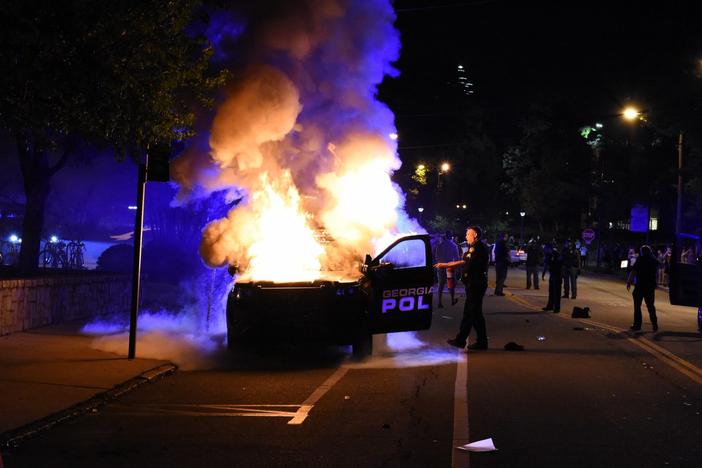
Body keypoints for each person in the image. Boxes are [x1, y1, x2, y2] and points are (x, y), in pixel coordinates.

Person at [435, 226, 490, 350]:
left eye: (468, 234)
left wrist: (446, 264)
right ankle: (480, 342)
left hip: (476, 284)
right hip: (474, 284)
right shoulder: (474, 247)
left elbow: (464, 262)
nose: (466, 236)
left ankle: (462, 340)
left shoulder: (477, 248)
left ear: (475, 235)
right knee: (475, 314)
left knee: (470, 313)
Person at [626, 245, 659, 332]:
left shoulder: (640, 260)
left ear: (642, 252)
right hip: (650, 286)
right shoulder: (653, 260)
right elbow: (658, 267)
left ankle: (637, 325)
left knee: (637, 306)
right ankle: (654, 324)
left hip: (640, 286)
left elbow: (633, 271)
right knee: (650, 306)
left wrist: (629, 281)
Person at [433, 230, 462, 308]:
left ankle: (439, 302)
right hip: (450, 267)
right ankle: (452, 300)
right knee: (451, 284)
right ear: (451, 236)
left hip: (441, 266)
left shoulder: (439, 246)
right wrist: (458, 268)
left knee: (440, 285)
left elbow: (436, 257)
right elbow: (456, 258)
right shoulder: (453, 245)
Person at [542, 241, 563, 313]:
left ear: (549, 248)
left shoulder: (557, 254)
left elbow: (561, 265)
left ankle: (557, 308)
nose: (544, 249)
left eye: (545, 248)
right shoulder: (548, 255)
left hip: (557, 275)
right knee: (551, 291)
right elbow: (546, 264)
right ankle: (550, 306)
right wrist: (543, 274)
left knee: (557, 292)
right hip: (552, 275)